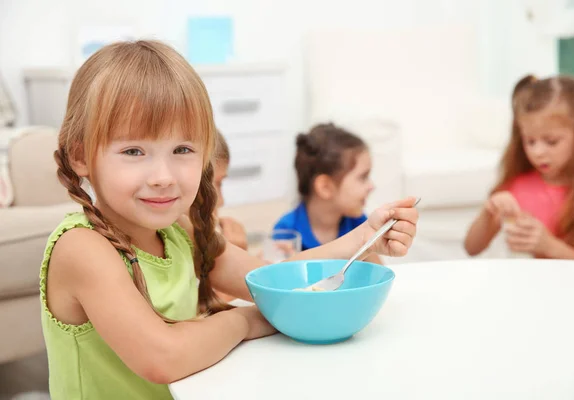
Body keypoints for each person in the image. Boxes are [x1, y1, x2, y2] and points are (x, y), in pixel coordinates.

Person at [40, 40, 419, 399]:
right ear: (81, 156)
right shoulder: (82, 247)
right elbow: (163, 357)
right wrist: (244, 322)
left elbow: (272, 283)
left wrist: (366, 236)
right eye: (134, 150)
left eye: (182, 149)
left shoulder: (178, 231)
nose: (163, 175)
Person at [464, 75, 574, 260]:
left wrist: (551, 247)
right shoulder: (519, 186)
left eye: (551, 142)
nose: (538, 152)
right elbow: (472, 248)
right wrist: (488, 213)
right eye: (530, 141)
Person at [274, 123, 381, 263]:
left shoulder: (358, 224)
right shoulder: (287, 231)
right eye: (363, 177)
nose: (372, 186)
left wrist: (370, 246)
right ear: (325, 187)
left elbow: (379, 274)